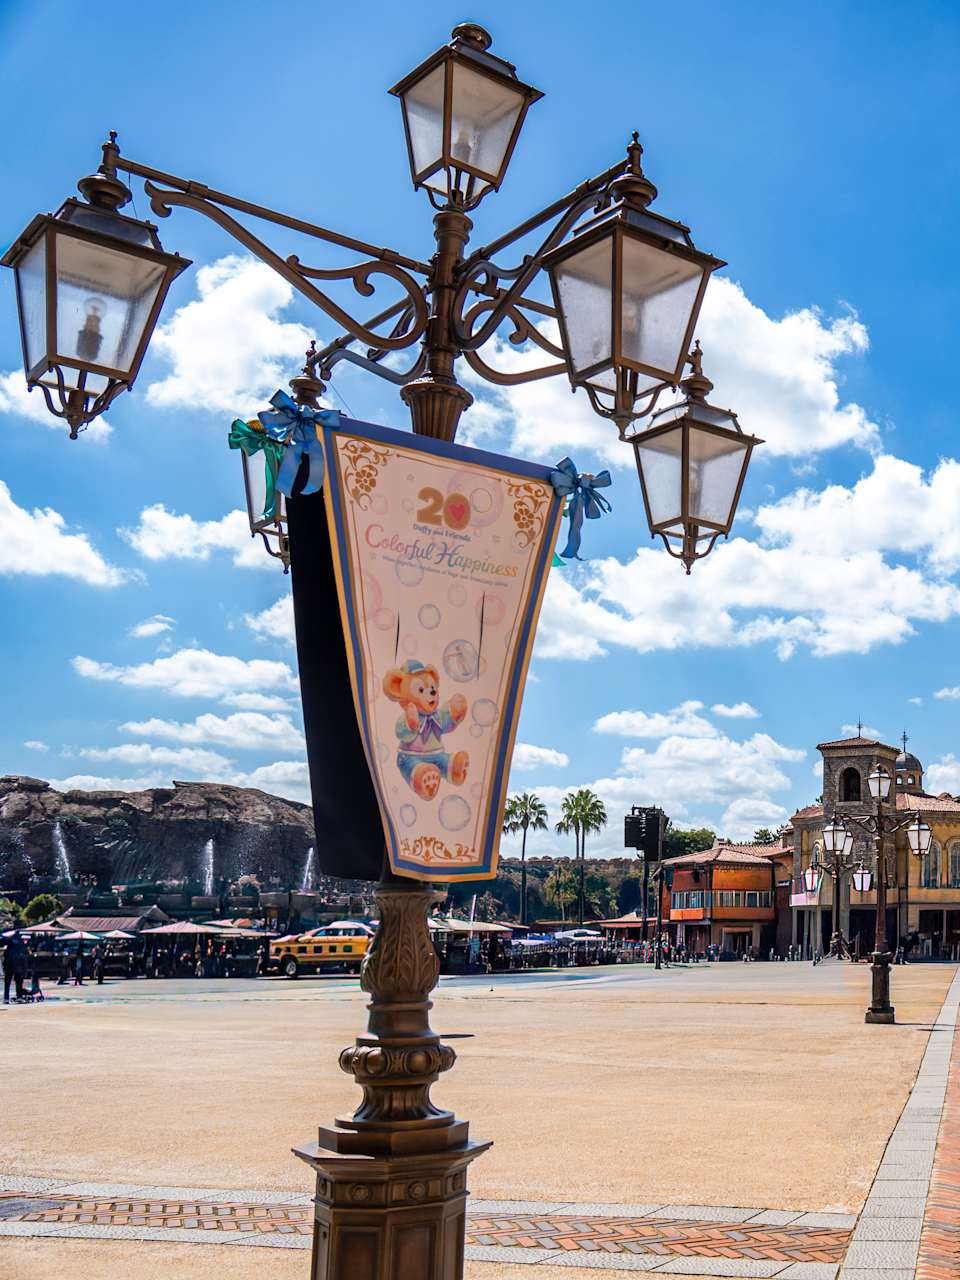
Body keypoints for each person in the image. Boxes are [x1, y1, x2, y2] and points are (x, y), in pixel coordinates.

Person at [3, 932, 28, 1003]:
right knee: (18, 981)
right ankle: (19, 997)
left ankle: (6, 998)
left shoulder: (8, 943)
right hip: (16, 965)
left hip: (10, 965)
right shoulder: (20, 943)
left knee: (8, 982)